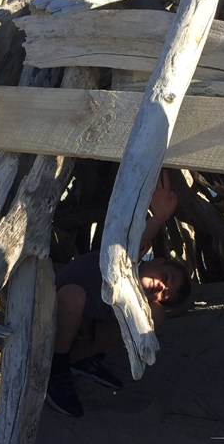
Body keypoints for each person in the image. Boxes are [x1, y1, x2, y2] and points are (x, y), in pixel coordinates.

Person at [47, 170, 192, 417]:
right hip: (51, 321)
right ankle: (56, 369)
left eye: (164, 294)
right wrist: (157, 219)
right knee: (74, 297)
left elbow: (150, 310)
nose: (161, 288)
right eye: (165, 278)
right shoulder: (127, 261)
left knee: (154, 316)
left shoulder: (137, 301)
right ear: (156, 260)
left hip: (84, 332)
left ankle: (79, 359)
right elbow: (131, 253)